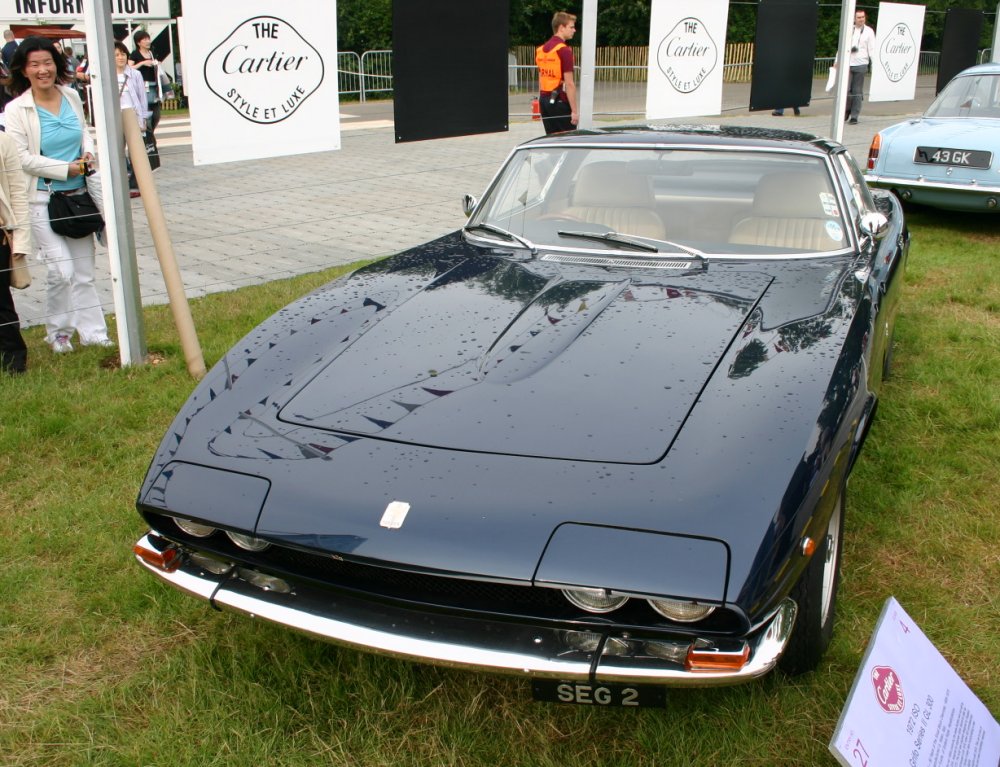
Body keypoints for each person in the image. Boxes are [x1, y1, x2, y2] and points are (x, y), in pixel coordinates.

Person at [6, 36, 112, 353]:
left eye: (48, 62)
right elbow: (21, 157)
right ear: (24, 70)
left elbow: (84, 133)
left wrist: (87, 156)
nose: (43, 70)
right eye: (35, 64)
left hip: (78, 197)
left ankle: (93, 332)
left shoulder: (72, 96)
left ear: (57, 64)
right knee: (61, 271)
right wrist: (66, 168)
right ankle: (59, 332)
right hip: (41, 200)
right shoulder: (16, 110)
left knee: (83, 273)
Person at [0, 130, 31, 374]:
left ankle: (14, 359)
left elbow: (18, 192)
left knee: (1, 301)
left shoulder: (3, 140)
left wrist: (20, 241)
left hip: (0, 233)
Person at [114, 41, 149, 197]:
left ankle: (136, 184)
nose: (120, 57)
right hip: (116, 118)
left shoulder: (135, 74)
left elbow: (142, 98)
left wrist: (142, 119)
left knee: (136, 153)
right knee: (117, 152)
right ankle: (121, 183)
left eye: (123, 54)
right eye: (116, 54)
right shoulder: (108, 75)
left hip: (133, 116)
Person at [536, 11, 578, 134]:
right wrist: (574, 111)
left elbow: (541, 77)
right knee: (568, 139)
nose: (574, 30)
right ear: (561, 28)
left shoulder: (541, 50)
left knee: (552, 140)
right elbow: (569, 84)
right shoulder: (564, 50)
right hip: (559, 100)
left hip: (544, 100)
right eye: (571, 27)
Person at [128, 30, 161, 135]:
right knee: (146, 114)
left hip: (154, 86)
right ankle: (149, 138)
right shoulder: (135, 54)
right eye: (145, 39)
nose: (148, 41)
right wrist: (142, 63)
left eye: (148, 39)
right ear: (139, 42)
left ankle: (150, 134)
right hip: (142, 86)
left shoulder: (152, 53)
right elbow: (129, 68)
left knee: (156, 114)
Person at [847, 9, 876, 124]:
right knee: (847, 91)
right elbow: (842, 46)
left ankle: (854, 116)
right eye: (858, 17)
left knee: (857, 90)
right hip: (848, 63)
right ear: (854, 19)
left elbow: (872, 49)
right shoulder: (850, 29)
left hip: (861, 63)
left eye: (862, 17)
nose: (861, 19)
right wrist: (837, 60)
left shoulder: (869, 31)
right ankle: (847, 110)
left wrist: (874, 64)